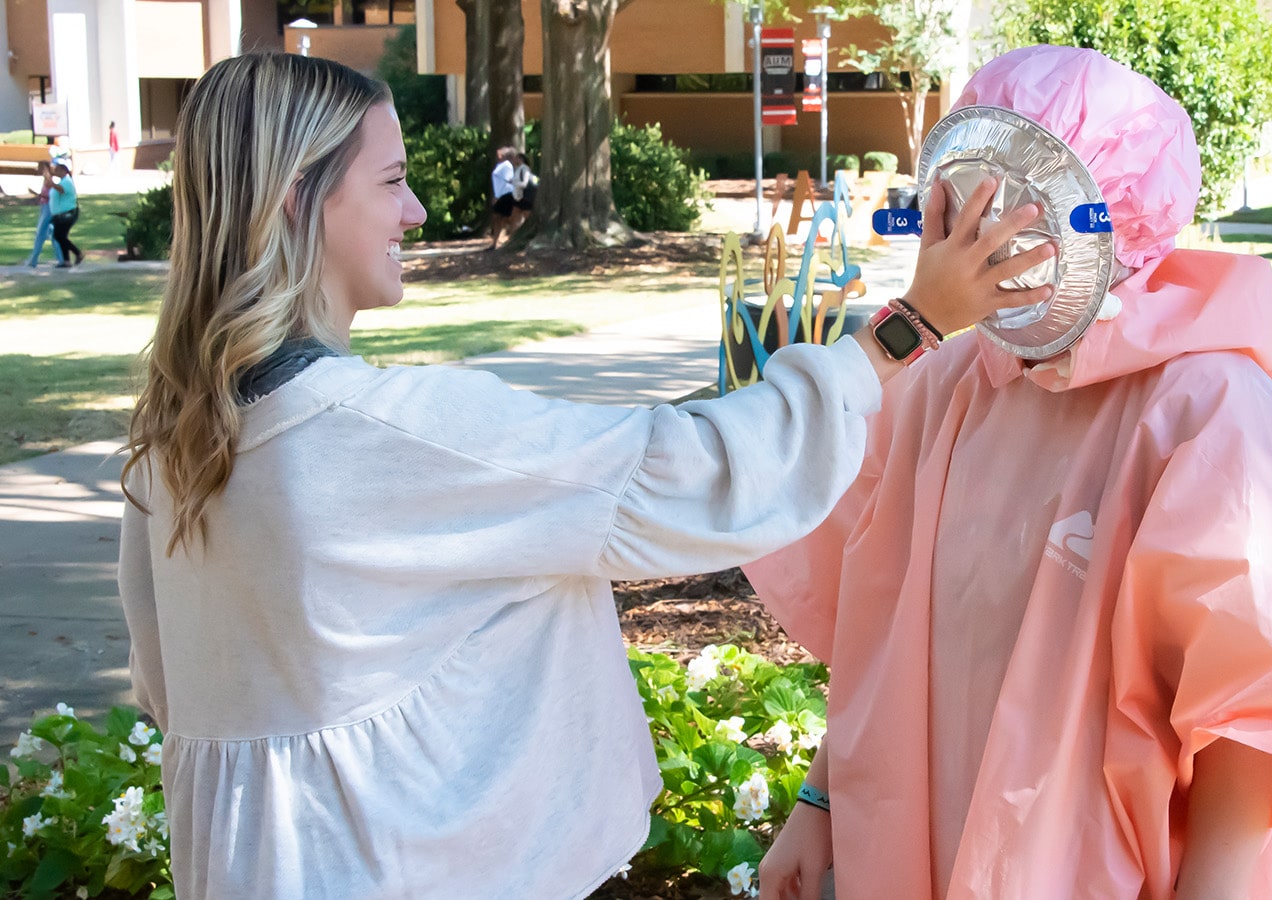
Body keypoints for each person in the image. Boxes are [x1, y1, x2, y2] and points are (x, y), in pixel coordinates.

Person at [116, 51, 1055, 899]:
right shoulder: (386, 433)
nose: (416, 211)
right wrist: (912, 326)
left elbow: (170, 689)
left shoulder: (173, 441)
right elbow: (687, 478)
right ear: (295, 197)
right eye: (393, 181)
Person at [745, 45, 1272, 900]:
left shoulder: (1207, 417)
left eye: (1023, 216)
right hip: (914, 845)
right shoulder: (946, 391)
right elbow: (881, 631)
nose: (981, 243)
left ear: (1111, 219)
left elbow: (1252, 716)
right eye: (966, 207)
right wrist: (817, 802)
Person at [24, 161, 64, 268]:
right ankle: (61, 259)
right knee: (54, 235)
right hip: (47, 208)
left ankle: (34, 260)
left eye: (40, 167)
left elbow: (51, 196)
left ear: (44, 168)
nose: (38, 169)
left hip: (48, 209)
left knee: (40, 234)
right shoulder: (46, 180)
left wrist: (37, 194)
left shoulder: (49, 179)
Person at [47, 162, 82, 267]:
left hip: (67, 214)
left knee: (59, 236)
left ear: (64, 171)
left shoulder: (67, 181)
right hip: (60, 214)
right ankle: (66, 261)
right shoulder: (62, 181)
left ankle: (77, 253)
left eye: (57, 170)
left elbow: (61, 190)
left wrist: (51, 183)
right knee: (61, 236)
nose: (55, 172)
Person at [489, 145, 517, 248]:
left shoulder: (507, 165)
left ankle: (512, 239)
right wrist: (496, 196)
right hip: (500, 195)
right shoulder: (500, 165)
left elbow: (509, 180)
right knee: (498, 218)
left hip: (507, 194)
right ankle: (495, 242)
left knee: (504, 218)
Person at [510, 150, 537, 230]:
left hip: (525, 196)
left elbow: (524, 184)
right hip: (518, 196)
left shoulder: (524, 169)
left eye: (516, 158)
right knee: (515, 217)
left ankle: (530, 231)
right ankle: (515, 235)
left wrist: (513, 183)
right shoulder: (517, 169)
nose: (514, 160)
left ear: (521, 159)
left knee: (527, 216)